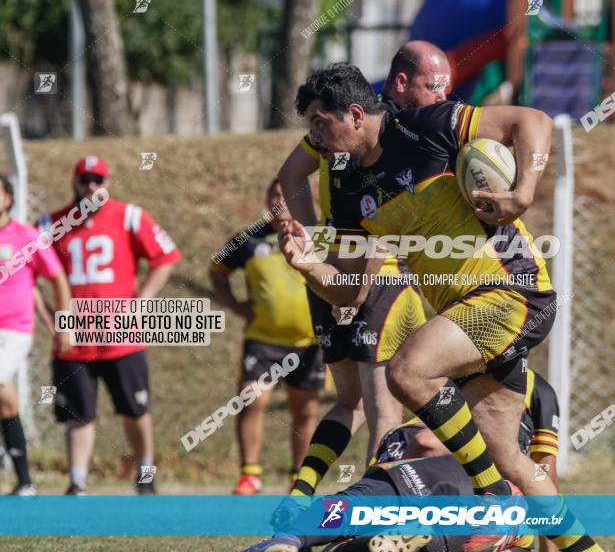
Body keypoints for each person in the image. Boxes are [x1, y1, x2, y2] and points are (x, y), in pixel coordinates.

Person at [277, 63, 605, 552]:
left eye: (321, 124)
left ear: (355, 113)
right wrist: (308, 266)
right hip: (470, 317)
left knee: (408, 371)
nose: (316, 139)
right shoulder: (347, 192)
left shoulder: (424, 125)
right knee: (509, 457)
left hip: (510, 290)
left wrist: (524, 191)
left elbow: (531, 121)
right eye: (311, 129)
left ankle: (492, 501)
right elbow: (349, 293)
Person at [278, 41, 448, 498]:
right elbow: (290, 178)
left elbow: (288, 178)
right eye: (434, 86)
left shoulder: (358, 126)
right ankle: (375, 513)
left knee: (351, 401)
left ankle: (301, 496)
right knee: (384, 411)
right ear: (401, 83)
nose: (441, 96)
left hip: (337, 269)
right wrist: (314, 242)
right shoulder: (359, 126)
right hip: (373, 271)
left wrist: (315, 247)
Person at [239, 370, 584, 552]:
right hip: (496, 509)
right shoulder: (533, 387)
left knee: (351, 512)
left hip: (426, 471)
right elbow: (545, 475)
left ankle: (290, 537)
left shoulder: (447, 359)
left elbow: (425, 442)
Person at [37, 156, 180, 494]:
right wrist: (52, 322)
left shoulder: (129, 216)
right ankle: (77, 481)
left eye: (97, 179)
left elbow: (166, 258)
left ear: (107, 182)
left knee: (135, 409)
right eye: (85, 179)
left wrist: (140, 302)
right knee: (78, 413)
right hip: (74, 340)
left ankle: (145, 473)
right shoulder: (50, 224)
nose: (91, 186)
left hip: (122, 337)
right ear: (74, 182)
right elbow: (27, 278)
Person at [209, 178, 326, 494]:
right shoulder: (249, 240)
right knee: (252, 401)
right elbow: (217, 269)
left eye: (285, 194)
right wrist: (233, 304)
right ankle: (250, 474)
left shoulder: (318, 236)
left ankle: (298, 478)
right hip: (263, 339)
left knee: (305, 410)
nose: (279, 200)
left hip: (309, 342)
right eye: (273, 194)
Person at [0, 175, 71, 495]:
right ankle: (25, 481)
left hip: (14, 331)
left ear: (8, 199)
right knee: (7, 405)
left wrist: (63, 322)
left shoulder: (27, 237)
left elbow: (56, 279)